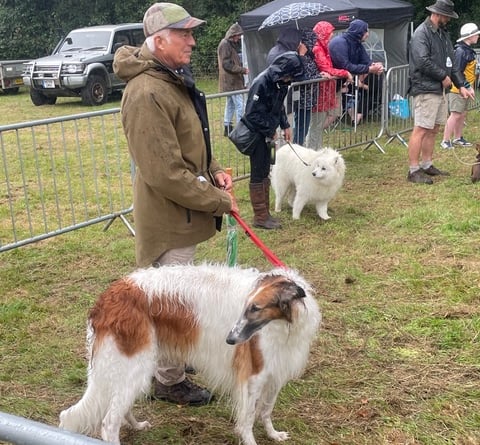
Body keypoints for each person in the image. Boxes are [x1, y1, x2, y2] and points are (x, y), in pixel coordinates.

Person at [113, 2, 238, 405]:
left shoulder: (170, 78)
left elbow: (191, 141)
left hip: (184, 213)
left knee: (179, 298)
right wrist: (218, 201)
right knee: (171, 305)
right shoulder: (147, 91)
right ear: (159, 39)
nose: (193, 40)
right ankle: (167, 380)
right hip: (168, 219)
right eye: (184, 34)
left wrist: (214, 168)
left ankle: (172, 364)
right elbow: (165, 172)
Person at [406, 0, 474, 184]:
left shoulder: (442, 34)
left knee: (434, 128)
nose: (448, 20)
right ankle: (413, 170)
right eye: (447, 17)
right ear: (438, 14)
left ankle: (427, 164)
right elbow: (422, 60)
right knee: (421, 128)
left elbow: (452, 63)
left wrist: (462, 85)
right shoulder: (422, 33)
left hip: (437, 88)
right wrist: (443, 76)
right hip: (424, 87)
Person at [242, 51, 304, 230]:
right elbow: (251, 113)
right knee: (258, 172)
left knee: (264, 171)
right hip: (256, 134)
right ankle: (260, 216)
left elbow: (279, 107)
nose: (290, 79)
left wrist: (285, 125)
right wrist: (270, 129)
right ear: (284, 71)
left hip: (267, 133)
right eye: (290, 75)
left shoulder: (280, 83)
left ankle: (265, 214)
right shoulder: (261, 82)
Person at [306, 21, 353, 149]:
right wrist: (345, 73)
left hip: (325, 91)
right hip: (319, 93)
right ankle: (312, 152)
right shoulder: (317, 49)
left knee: (318, 125)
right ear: (323, 33)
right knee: (316, 125)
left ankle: (316, 150)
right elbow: (326, 68)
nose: (332, 35)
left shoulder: (323, 48)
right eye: (330, 32)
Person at [329, 19, 384, 125]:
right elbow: (346, 66)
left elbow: (366, 61)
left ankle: (357, 115)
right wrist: (369, 69)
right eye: (365, 31)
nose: (367, 34)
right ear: (359, 32)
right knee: (328, 115)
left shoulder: (357, 44)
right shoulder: (339, 43)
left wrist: (376, 66)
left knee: (334, 114)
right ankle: (311, 134)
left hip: (346, 81)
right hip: (333, 82)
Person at [440, 22, 479, 149]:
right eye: (476, 34)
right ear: (469, 36)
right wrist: (467, 86)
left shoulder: (467, 50)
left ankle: (458, 137)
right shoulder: (461, 51)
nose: (478, 36)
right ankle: (445, 140)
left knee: (462, 113)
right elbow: (457, 71)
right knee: (455, 114)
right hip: (458, 89)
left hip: (465, 88)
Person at [217, 23, 248, 137]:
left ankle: (228, 127)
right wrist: (242, 70)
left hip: (231, 81)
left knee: (230, 104)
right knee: (239, 104)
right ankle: (240, 129)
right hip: (231, 81)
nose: (239, 38)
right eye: (238, 35)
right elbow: (227, 64)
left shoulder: (228, 44)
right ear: (233, 34)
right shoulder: (225, 44)